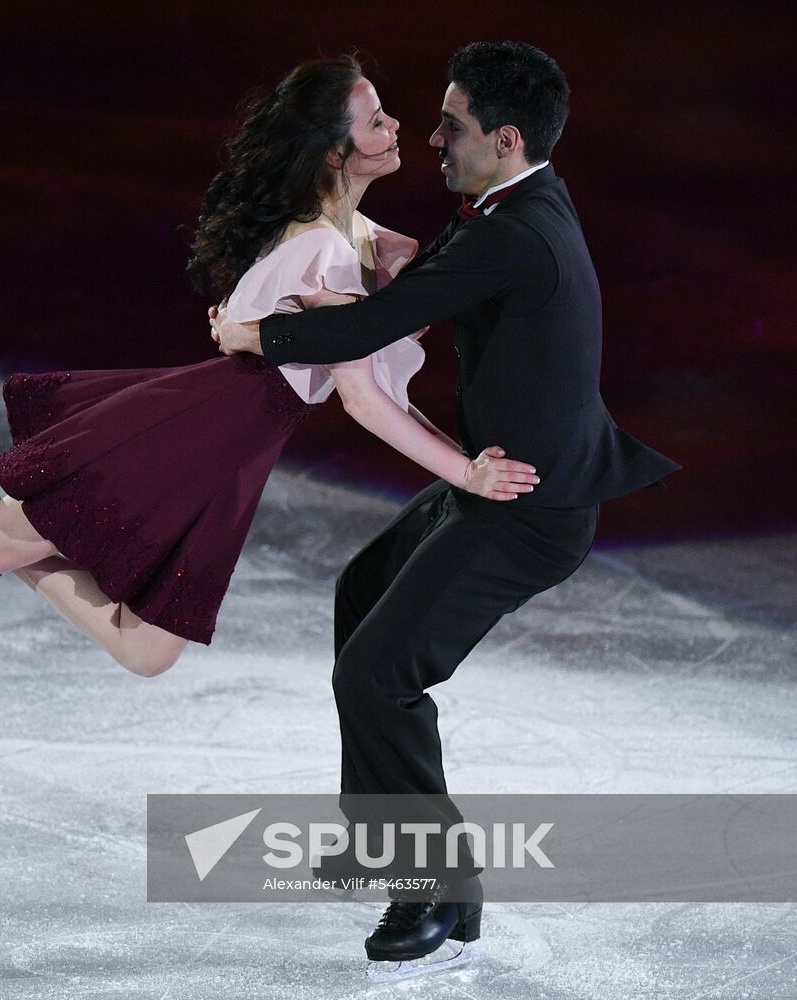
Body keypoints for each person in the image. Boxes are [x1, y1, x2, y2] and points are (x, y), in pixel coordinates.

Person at [0, 56, 536, 739]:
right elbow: (362, 399)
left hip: (235, 444)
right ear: (333, 153)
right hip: (206, 426)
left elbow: (399, 287)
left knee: (145, 650)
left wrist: (398, 273)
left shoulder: (350, 236)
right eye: (377, 120)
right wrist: (462, 474)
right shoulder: (322, 248)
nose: (398, 130)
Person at [211, 41, 680, 973]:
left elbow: (363, 333)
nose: (430, 137)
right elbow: (429, 294)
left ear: (506, 139)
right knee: (359, 594)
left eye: (451, 125)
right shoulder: (521, 201)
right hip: (501, 473)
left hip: (526, 506)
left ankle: (435, 885)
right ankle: (384, 838)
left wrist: (247, 330)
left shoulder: (512, 229)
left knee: (378, 676)